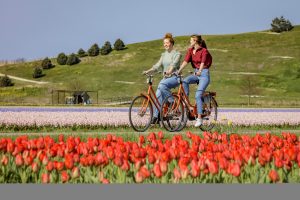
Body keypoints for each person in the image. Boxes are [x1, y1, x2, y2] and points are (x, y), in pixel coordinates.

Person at [143, 33, 181, 124]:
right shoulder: (163, 55)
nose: (165, 45)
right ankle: (156, 117)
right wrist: (148, 71)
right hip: (165, 78)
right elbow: (157, 66)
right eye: (164, 43)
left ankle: (172, 102)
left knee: (162, 85)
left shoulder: (177, 54)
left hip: (175, 77)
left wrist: (169, 71)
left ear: (171, 43)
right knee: (158, 94)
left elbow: (174, 65)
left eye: (167, 43)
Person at [177, 34, 212, 127]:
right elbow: (185, 61)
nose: (190, 42)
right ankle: (186, 101)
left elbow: (203, 62)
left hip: (204, 74)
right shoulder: (190, 50)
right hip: (196, 73)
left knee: (198, 95)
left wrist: (200, 71)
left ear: (195, 41)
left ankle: (199, 118)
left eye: (191, 41)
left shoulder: (204, 51)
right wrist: (179, 71)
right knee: (185, 81)